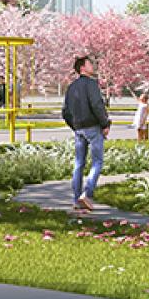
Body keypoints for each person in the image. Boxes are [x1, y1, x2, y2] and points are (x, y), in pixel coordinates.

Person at [60, 55, 110, 211]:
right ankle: (87, 194)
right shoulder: (91, 84)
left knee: (79, 163)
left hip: (79, 129)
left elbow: (65, 111)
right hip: (93, 127)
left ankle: (76, 199)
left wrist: (74, 126)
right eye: (89, 64)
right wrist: (105, 123)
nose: (92, 66)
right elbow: (96, 105)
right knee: (97, 161)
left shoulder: (71, 87)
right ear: (82, 68)